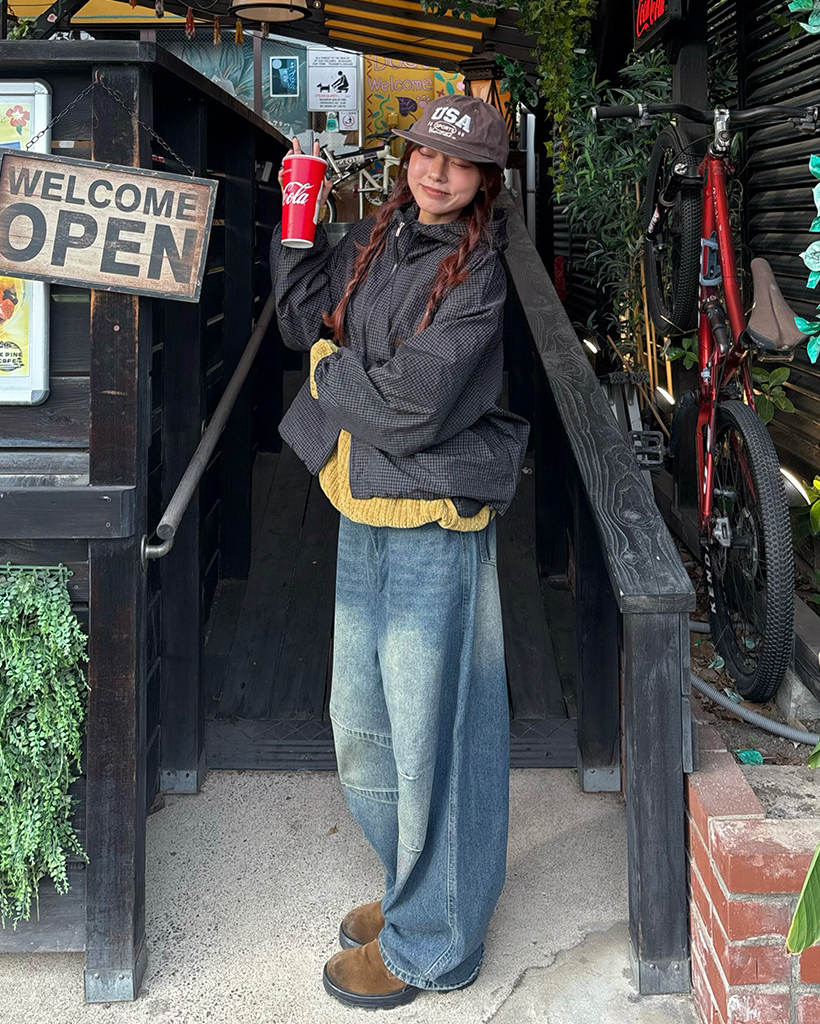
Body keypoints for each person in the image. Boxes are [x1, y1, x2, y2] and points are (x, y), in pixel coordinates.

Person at [269, 94, 530, 1010]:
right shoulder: (378, 238)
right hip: (364, 503)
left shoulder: (481, 274)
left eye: (457, 164)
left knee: (438, 737)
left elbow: (410, 407)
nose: (435, 172)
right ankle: (416, 888)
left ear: (484, 180)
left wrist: (328, 372)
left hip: (432, 518)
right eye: (425, 154)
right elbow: (301, 318)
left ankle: (436, 945)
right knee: (364, 727)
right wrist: (296, 222)